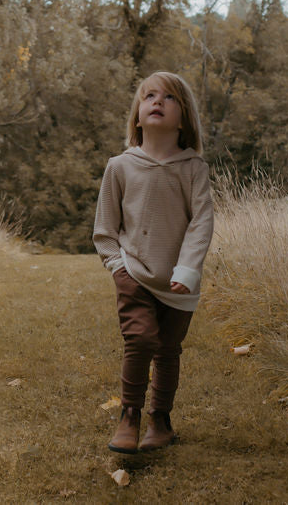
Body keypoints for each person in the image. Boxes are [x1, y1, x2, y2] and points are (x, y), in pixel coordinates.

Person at [93, 71, 214, 453]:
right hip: (135, 273)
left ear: (185, 117)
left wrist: (188, 270)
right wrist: (118, 267)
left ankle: (160, 421)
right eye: (149, 96)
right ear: (138, 115)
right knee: (141, 339)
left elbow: (201, 223)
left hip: (180, 281)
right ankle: (128, 416)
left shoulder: (193, 169)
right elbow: (105, 229)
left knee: (168, 350)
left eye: (168, 97)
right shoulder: (120, 166)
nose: (157, 101)